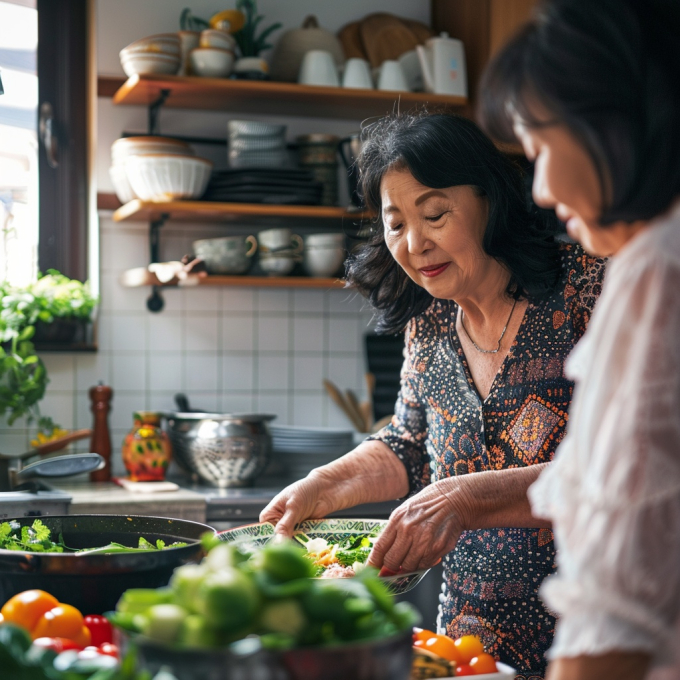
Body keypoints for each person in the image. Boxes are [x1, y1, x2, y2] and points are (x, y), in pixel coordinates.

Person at [261, 112, 605, 678]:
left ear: (490, 200)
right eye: (395, 224)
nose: (415, 243)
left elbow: (634, 465)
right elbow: (409, 444)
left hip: (593, 634)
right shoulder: (430, 323)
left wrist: (464, 498)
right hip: (468, 649)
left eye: (436, 214)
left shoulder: (589, 292)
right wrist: (324, 486)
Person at [478, 1, 680, 679]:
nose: (538, 190)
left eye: (538, 148)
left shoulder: (658, 267)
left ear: (609, 125)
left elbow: (618, 599)